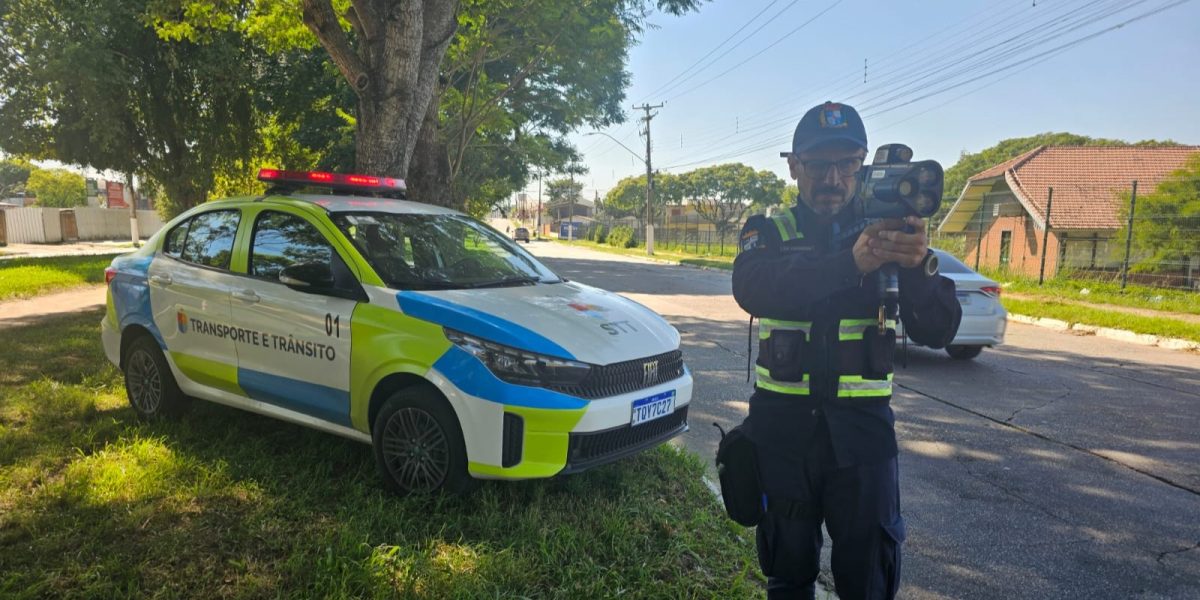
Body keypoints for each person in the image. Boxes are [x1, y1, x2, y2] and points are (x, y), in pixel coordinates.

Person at [732, 102, 962, 600]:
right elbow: (753, 288)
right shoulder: (768, 232)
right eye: (818, 165)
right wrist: (848, 263)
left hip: (864, 440)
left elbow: (940, 330)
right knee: (789, 577)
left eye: (846, 164)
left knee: (869, 582)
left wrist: (919, 266)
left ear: (862, 165)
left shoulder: (891, 233)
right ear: (794, 166)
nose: (832, 178)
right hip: (783, 435)